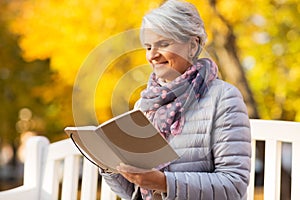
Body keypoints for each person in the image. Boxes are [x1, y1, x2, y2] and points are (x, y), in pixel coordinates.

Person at [100, 0, 251, 199]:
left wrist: (163, 183)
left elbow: (234, 185)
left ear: (192, 45)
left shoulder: (224, 98)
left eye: (163, 44)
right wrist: (109, 165)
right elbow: (135, 194)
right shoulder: (144, 105)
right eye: (148, 47)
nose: (152, 55)